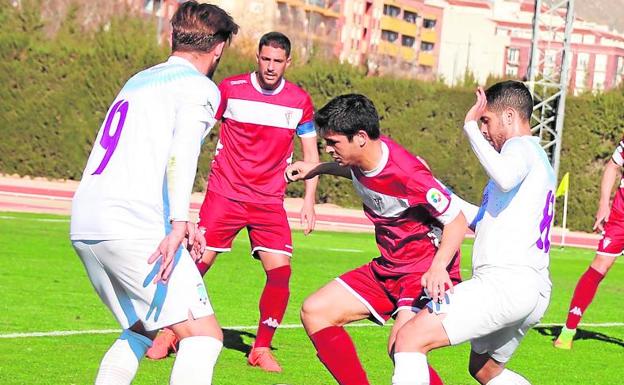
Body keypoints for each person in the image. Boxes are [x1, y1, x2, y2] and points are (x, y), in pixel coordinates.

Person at [69, 3, 238, 384]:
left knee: (142, 328)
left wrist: (181, 218)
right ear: (219, 48)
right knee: (204, 339)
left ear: (173, 37)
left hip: (87, 222)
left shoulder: (139, 79)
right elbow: (182, 154)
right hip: (132, 227)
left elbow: (144, 158)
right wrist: (179, 223)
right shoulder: (200, 88)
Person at [146, 31, 319, 372]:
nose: (270, 67)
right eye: (265, 59)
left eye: (277, 61)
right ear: (257, 57)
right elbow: (195, 135)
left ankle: (261, 348)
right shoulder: (229, 89)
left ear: (288, 63)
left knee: (281, 275)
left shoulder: (299, 101)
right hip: (224, 196)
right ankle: (169, 331)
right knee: (195, 266)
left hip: (269, 202)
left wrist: (309, 201)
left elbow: (311, 156)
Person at [285, 93, 468, 385]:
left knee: (402, 347)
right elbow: (354, 172)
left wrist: (439, 267)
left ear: (359, 137)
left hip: (421, 271)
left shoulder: (409, 174)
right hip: (389, 266)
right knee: (315, 311)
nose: (328, 149)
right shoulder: (360, 159)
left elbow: (457, 220)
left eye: (333, 143)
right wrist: (315, 168)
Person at [391, 81, 555, 385]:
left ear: (509, 116)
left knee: (409, 339)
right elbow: (479, 219)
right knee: (484, 369)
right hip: (533, 290)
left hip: (504, 284)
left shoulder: (519, 148)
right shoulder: (537, 161)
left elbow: (504, 177)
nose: (483, 129)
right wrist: (433, 188)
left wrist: (467, 124)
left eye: (486, 120)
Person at [554, 135, 624, 349]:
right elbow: (612, 167)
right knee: (599, 267)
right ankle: (568, 329)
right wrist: (604, 204)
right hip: (621, 217)